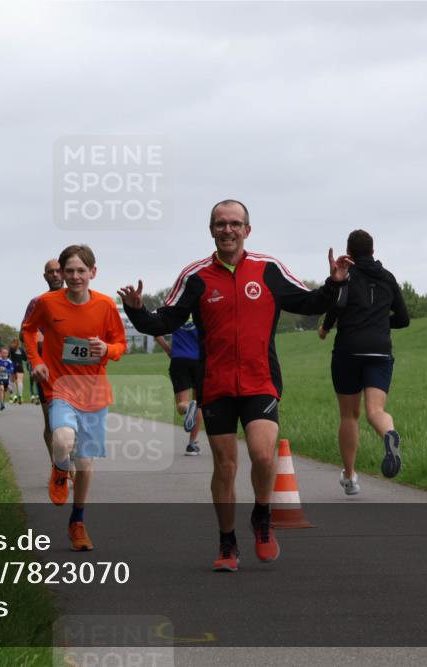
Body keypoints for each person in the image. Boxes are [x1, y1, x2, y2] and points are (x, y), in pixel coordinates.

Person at [119, 199, 351, 572]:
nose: (228, 230)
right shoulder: (195, 277)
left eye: (235, 223)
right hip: (216, 384)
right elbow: (163, 322)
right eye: (221, 224)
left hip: (261, 380)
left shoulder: (268, 269)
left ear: (247, 229)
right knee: (225, 467)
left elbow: (310, 303)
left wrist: (335, 282)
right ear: (211, 230)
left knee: (262, 455)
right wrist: (136, 310)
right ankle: (227, 542)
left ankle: (261, 515)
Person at [23, 245, 126, 552]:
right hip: (59, 387)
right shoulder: (47, 303)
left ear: (93, 272)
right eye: (69, 271)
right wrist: (37, 362)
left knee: (85, 460)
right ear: (61, 274)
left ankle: (77, 521)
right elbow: (28, 331)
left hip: (94, 390)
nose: (75, 276)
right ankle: (59, 467)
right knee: (63, 439)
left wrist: (107, 350)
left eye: (81, 271)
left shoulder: (106, 305)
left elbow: (120, 344)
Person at [319, 229, 409, 494]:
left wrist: (326, 327)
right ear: (373, 250)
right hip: (380, 350)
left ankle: (349, 477)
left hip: (349, 349)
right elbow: (403, 319)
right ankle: (388, 434)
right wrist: (380, 323)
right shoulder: (388, 277)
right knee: (375, 412)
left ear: (350, 251)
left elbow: (336, 305)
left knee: (349, 415)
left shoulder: (346, 276)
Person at [21, 258, 64, 459]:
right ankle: (58, 465)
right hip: (47, 371)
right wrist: (40, 339)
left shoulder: (77, 300)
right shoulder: (37, 303)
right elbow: (26, 332)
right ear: (45, 276)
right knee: (52, 422)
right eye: (50, 272)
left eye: (58, 270)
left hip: (74, 370)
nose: (55, 274)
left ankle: (69, 459)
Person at [154, 317, 204, 456]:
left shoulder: (175, 310)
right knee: (199, 404)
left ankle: (187, 408)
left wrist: (168, 350)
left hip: (179, 360)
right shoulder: (200, 308)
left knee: (182, 404)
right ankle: (192, 444)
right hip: (201, 360)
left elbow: (155, 330)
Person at [7, 338, 27, 404]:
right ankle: (20, 396)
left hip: (13, 365)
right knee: (20, 381)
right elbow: (25, 358)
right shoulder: (21, 349)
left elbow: (7, 356)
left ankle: (13, 396)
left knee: (12, 381)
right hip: (20, 366)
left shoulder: (11, 348)